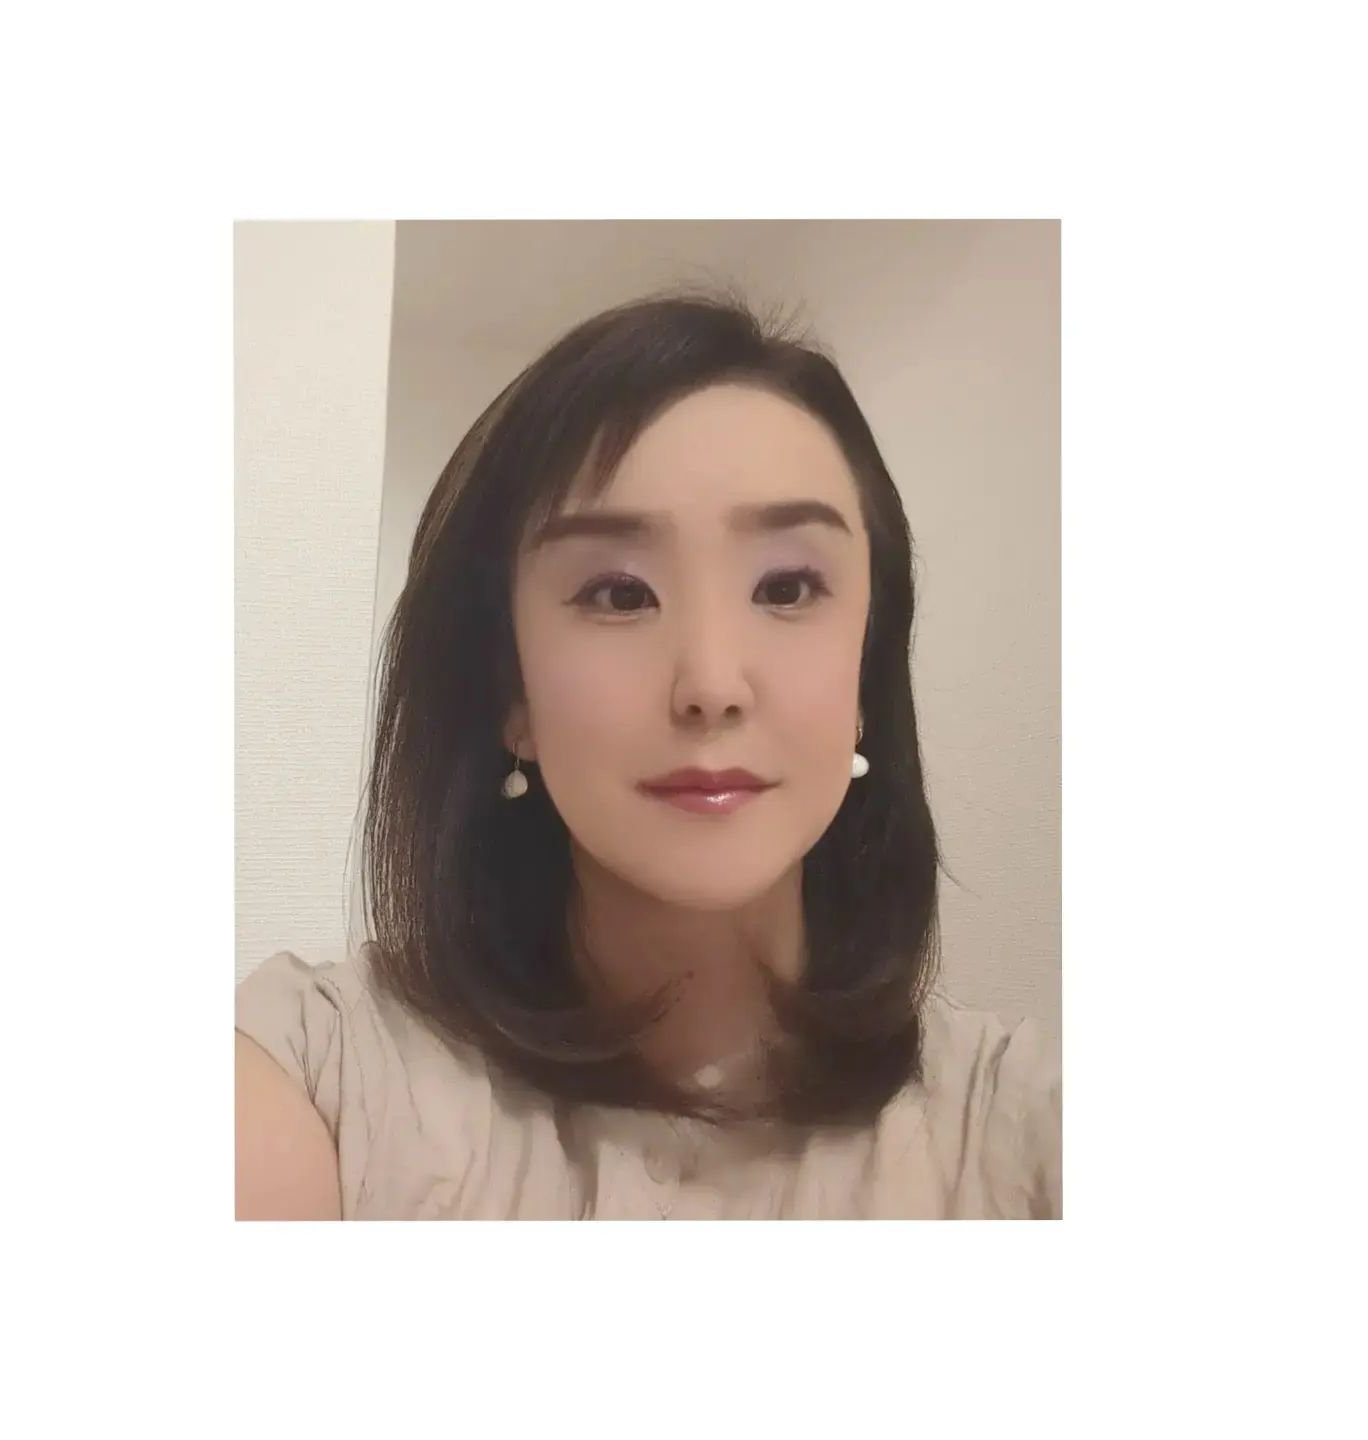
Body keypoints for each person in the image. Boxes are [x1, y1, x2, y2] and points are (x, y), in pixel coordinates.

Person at [235, 290, 1062, 1220]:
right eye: (619, 595)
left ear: (866, 674)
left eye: (787, 588)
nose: (711, 684)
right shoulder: (324, 1078)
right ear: (512, 693)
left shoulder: (1017, 1128)